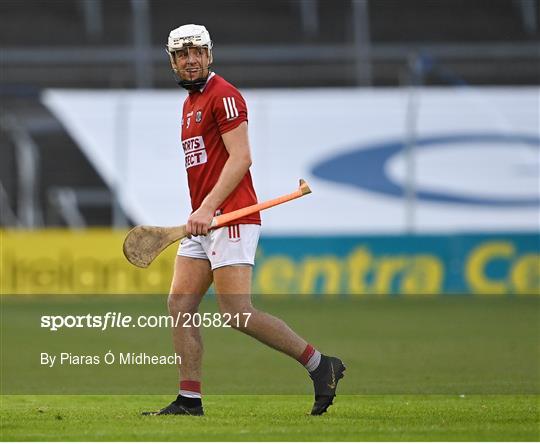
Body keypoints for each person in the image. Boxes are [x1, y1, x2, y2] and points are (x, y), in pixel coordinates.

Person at [143, 24, 345, 417]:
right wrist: (201, 212)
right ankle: (189, 401)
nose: (191, 60)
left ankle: (322, 366)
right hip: (203, 220)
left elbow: (241, 158)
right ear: (172, 61)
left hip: (230, 216)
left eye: (198, 52)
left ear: (210, 55)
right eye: (182, 55)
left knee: (236, 312)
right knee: (179, 303)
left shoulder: (225, 96)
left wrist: (208, 208)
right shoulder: (189, 106)